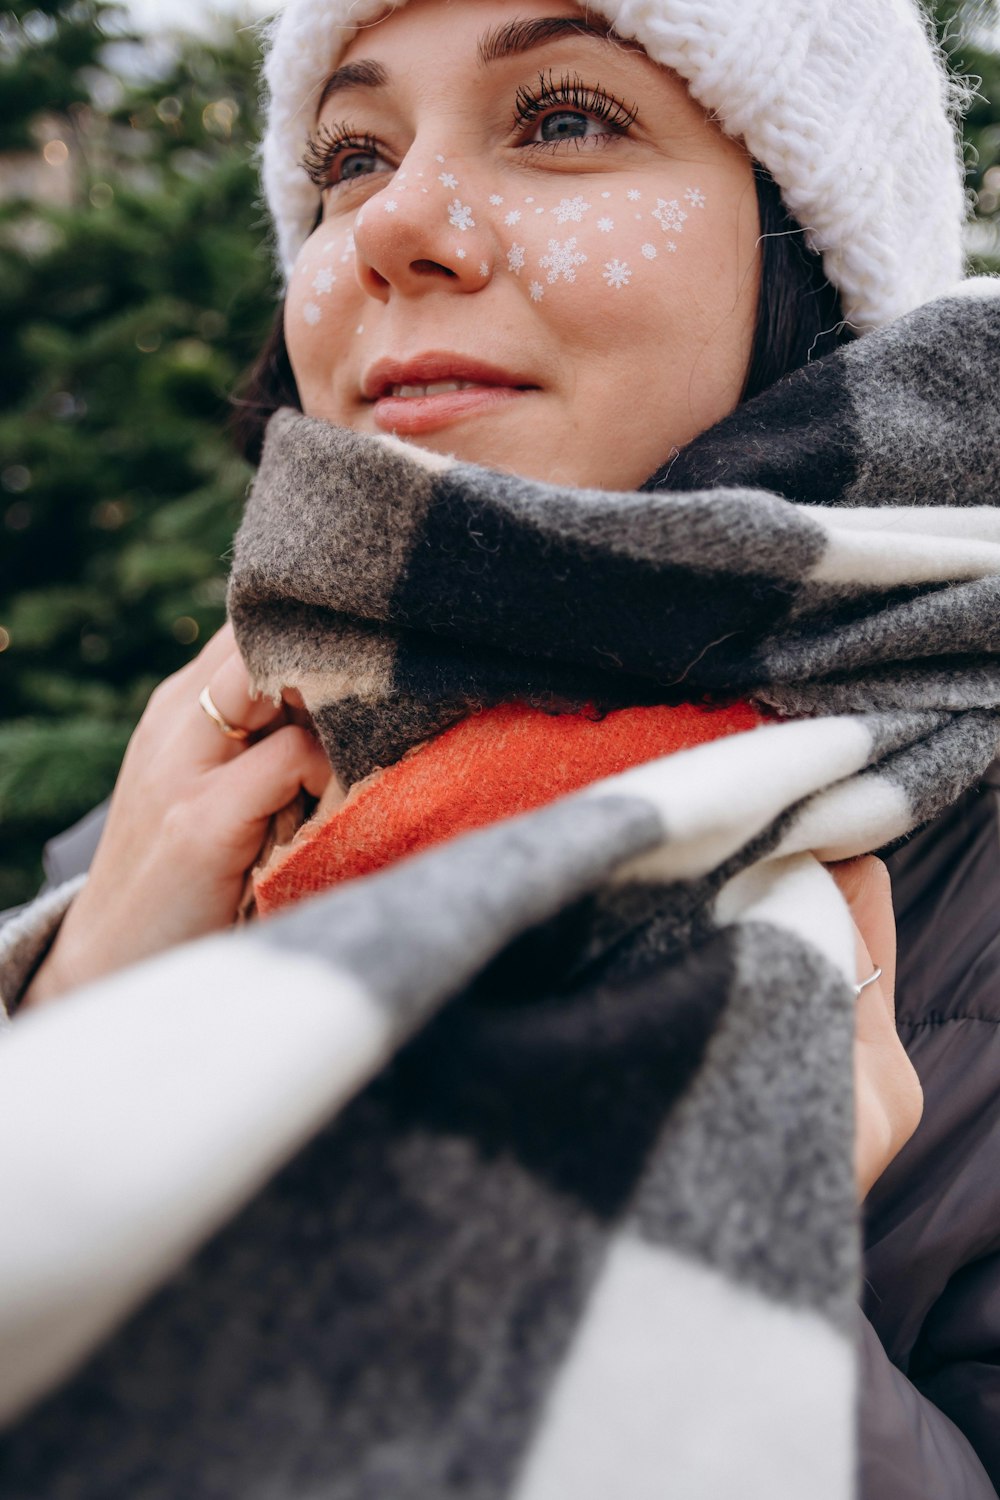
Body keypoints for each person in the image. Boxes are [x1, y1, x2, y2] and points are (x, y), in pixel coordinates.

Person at [0, 0, 998, 1495]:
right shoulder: (188, 822)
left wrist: (715, 1299)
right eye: (351, 151)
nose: (396, 222)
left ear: (814, 260)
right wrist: (72, 1007)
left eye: (565, 119)